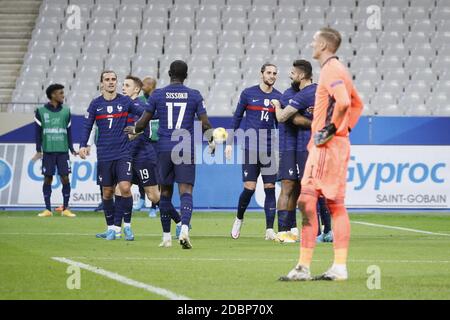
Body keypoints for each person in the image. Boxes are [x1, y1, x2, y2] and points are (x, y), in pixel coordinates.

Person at [279, 27, 363, 281]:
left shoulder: (331, 69)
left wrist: (330, 130)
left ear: (325, 45)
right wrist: (344, 128)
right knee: (331, 205)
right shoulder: (338, 70)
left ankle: (305, 267)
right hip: (333, 145)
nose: (312, 43)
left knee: (308, 201)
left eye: (315, 40)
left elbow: (346, 103)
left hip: (326, 148)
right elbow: (357, 103)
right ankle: (336, 267)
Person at [125, 60, 214, 249]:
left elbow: (143, 122)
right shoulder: (194, 95)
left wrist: (135, 128)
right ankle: (184, 230)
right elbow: (205, 124)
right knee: (186, 191)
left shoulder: (158, 94)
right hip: (185, 148)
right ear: (186, 75)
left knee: (164, 192)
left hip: (164, 148)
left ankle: (166, 237)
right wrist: (211, 140)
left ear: (169, 73)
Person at [78, 70, 144, 241]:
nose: (111, 82)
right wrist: (83, 145)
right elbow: (87, 125)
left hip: (123, 153)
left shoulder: (125, 101)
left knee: (125, 188)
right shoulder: (95, 104)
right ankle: (111, 229)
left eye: (114, 79)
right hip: (105, 154)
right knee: (107, 193)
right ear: (101, 83)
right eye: (107, 79)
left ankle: (127, 227)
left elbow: (144, 112)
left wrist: (144, 122)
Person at [226, 63, 282, 240]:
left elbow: (281, 124)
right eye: (269, 72)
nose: (272, 76)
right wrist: (229, 143)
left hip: (268, 150)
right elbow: (237, 117)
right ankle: (239, 219)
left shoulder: (279, 97)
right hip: (250, 148)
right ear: (261, 74)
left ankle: (269, 230)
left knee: (270, 188)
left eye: (274, 73)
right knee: (249, 188)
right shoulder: (248, 93)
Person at [108, 75, 161, 240]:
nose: (122, 88)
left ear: (136, 89)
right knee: (120, 189)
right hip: (127, 155)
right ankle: (118, 230)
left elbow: (140, 130)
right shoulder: (122, 106)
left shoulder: (141, 106)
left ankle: (180, 221)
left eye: (127, 85)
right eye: (122, 85)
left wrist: (125, 137)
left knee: (153, 196)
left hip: (142, 156)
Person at [33, 84, 77, 218]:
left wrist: (71, 148)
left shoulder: (66, 111)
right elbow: (38, 133)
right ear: (53, 95)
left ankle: (65, 209)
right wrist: (38, 150)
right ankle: (47, 209)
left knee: (65, 178)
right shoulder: (40, 111)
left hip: (63, 151)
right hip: (48, 151)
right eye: (61, 93)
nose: (63, 95)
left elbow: (68, 132)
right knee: (48, 179)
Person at [134, 76, 159, 218]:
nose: (144, 85)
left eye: (147, 83)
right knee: (141, 172)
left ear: (153, 85)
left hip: (157, 141)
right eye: (143, 83)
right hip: (143, 141)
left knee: (156, 175)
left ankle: (154, 207)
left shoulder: (158, 100)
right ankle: (142, 198)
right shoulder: (139, 101)